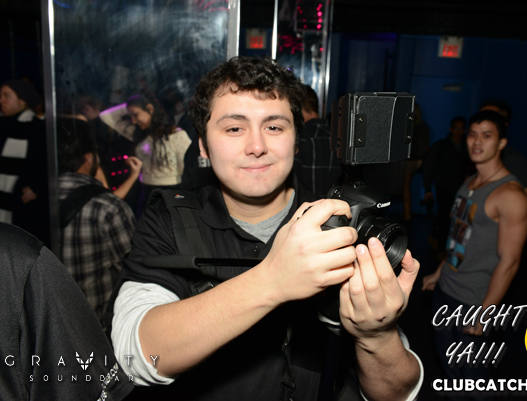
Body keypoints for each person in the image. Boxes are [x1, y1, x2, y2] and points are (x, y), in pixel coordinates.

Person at [110, 56, 423, 401]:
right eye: (234, 128)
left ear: (296, 141)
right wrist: (271, 280)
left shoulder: (337, 223)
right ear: (203, 146)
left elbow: (396, 392)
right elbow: (134, 357)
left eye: (274, 127)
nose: (257, 147)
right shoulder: (169, 218)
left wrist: (376, 336)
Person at [422, 110, 527, 383]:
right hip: (446, 290)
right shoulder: (469, 182)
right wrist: (439, 272)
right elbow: (459, 236)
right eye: (472, 135)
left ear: (501, 143)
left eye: (486, 135)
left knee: (474, 378)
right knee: (448, 366)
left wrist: (485, 313)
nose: (477, 142)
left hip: (474, 301)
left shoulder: (511, 195)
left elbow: (510, 262)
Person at [0, 222, 133, 401]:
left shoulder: (15, 258)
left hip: (82, 328)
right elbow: (128, 265)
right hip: (92, 324)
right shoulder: (15, 259)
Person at [57, 116, 137, 325]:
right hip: (94, 325)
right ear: (88, 158)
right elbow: (133, 271)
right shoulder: (107, 207)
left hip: (46, 324)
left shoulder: (32, 199)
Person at [100, 93, 192, 217]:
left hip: (172, 192)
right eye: (130, 116)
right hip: (146, 193)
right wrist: (131, 104)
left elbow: (188, 170)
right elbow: (106, 116)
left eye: (135, 115)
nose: (133, 121)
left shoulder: (176, 135)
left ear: (150, 109)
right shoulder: (137, 134)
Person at [0, 79, 50, 245]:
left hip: (22, 205)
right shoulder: (2, 125)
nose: (1, 100)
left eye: (7, 96)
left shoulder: (37, 128)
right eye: (0, 96)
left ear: (22, 101)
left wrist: (37, 188)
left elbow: (48, 164)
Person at [422, 116, 470, 258]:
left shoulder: (468, 147)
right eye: (456, 128)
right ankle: (442, 249)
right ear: (451, 129)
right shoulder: (441, 146)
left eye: (461, 128)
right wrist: (428, 188)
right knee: (444, 218)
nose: (458, 131)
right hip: (443, 187)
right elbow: (429, 167)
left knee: (457, 219)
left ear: (465, 130)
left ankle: (446, 246)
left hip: (461, 188)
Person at [479, 99, 527, 213]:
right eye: (481, 116)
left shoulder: (512, 159)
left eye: (490, 117)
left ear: (504, 124)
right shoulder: (475, 155)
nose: (482, 121)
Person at [293, 84, 341, 196]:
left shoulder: (301, 139)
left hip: (306, 205)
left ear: (298, 109)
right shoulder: (338, 135)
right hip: (335, 204)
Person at [403, 102, 429, 222]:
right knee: (406, 187)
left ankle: (407, 215)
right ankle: (407, 215)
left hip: (410, 160)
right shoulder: (423, 126)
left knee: (405, 188)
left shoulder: (409, 126)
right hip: (418, 160)